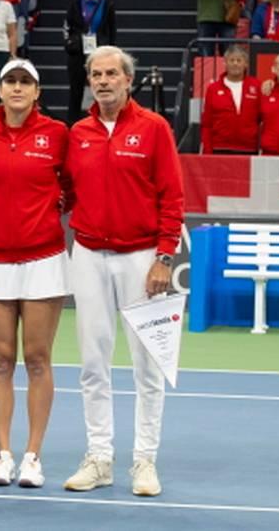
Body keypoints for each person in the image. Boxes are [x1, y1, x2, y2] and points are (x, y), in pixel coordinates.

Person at [63, 45, 184, 498]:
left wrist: (164, 256)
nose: (103, 81)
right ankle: (100, 457)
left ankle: (144, 460)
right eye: (96, 74)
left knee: (146, 366)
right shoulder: (78, 132)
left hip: (141, 258)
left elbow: (172, 196)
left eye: (112, 73)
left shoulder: (154, 128)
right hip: (89, 255)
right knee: (93, 363)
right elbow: (65, 191)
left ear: (128, 80)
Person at [0, 59, 68, 488]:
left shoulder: (57, 135)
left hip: (44, 258)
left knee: (37, 358)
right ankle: (3, 455)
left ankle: (33, 456)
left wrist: (57, 206)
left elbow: (74, 183)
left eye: (25, 82)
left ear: (36, 92)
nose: (16, 88)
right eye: (10, 81)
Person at [63, 0, 116, 124]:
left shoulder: (108, 5)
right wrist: (71, 43)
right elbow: (67, 27)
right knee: (76, 91)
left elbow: (112, 31)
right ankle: (72, 125)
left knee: (102, 89)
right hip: (78, 53)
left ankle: (103, 122)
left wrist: (110, 53)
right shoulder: (75, 3)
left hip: (99, 53)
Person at [200, 45, 260, 154]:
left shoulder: (256, 86)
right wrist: (207, 150)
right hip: (219, 148)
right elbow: (206, 123)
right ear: (225, 63)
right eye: (231, 60)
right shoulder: (213, 89)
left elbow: (263, 118)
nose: (235, 63)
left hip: (249, 149)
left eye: (239, 60)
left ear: (245, 64)